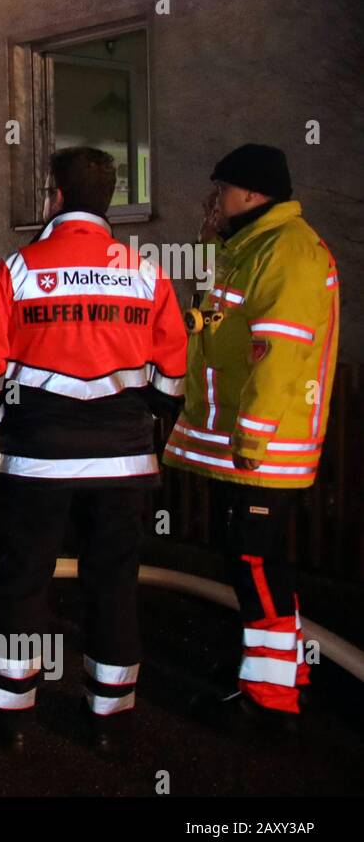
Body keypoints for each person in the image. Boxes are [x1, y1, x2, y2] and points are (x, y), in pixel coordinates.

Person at [0, 147, 188, 751]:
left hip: (35, 464)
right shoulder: (147, 273)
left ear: (54, 196)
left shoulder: (16, 270)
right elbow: (171, 383)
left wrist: (17, 420)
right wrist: (134, 423)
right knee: (113, 584)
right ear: (107, 199)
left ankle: (10, 716)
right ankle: (110, 720)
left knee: (22, 583)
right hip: (125, 465)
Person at [164, 144, 340, 729]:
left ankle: (272, 704)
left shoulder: (286, 251)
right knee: (253, 564)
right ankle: (274, 676)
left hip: (263, 449)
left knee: (255, 561)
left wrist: (255, 435)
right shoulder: (244, 249)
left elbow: (280, 352)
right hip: (240, 444)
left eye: (222, 189)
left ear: (251, 192)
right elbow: (220, 332)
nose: (214, 200)